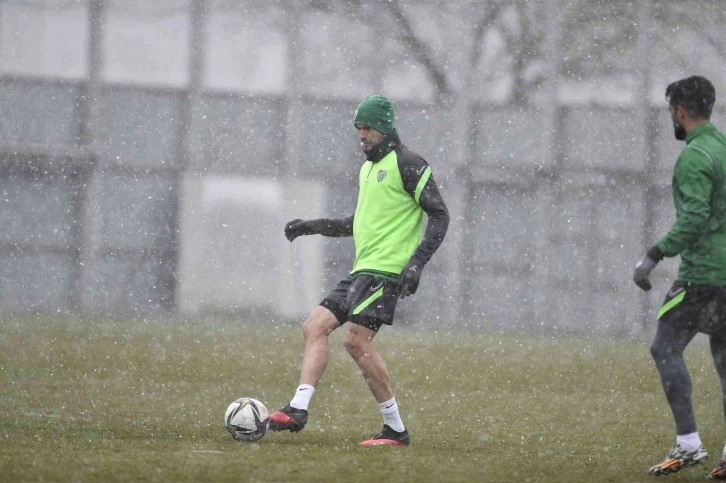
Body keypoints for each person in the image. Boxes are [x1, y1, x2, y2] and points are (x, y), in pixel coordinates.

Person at [269, 95, 449, 446]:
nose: (362, 135)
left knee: (355, 341)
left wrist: (416, 263)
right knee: (315, 326)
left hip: (386, 271)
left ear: (384, 127)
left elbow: (440, 214)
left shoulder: (409, 163)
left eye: (367, 128)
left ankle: (395, 429)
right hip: (362, 269)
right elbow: (357, 223)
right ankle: (297, 408)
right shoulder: (367, 169)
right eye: (359, 128)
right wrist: (311, 225)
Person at [633, 76, 726, 479]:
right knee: (724, 362)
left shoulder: (694, 157)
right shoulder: (721, 148)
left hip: (703, 276)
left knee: (665, 347)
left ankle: (688, 444)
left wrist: (653, 256)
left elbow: (694, 218)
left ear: (680, 111)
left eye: (671, 109)